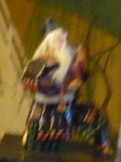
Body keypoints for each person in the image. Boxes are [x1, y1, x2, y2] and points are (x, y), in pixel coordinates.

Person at [21, 23, 88, 152]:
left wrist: (69, 86)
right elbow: (29, 81)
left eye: (63, 39)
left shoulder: (71, 61)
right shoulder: (39, 61)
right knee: (34, 127)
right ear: (48, 42)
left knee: (56, 132)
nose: (63, 42)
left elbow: (77, 81)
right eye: (59, 39)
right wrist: (48, 84)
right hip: (41, 103)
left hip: (61, 104)